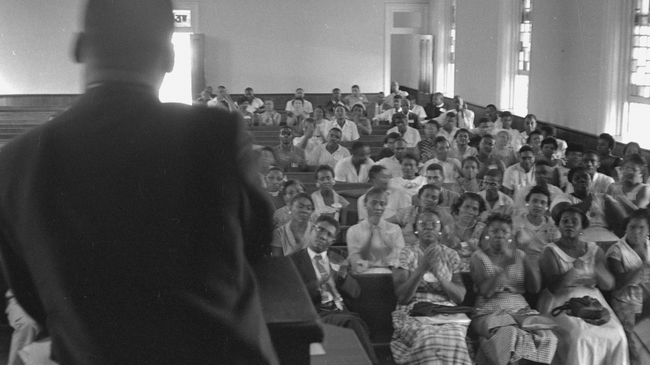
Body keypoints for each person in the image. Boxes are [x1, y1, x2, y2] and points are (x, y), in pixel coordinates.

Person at [0, 1, 278, 363]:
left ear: (78, 47)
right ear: (168, 57)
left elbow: (34, 297)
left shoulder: (16, 161)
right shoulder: (215, 134)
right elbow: (257, 240)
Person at [538, 206, 629, 365]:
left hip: (592, 299)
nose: (569, 225)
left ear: (582, 227)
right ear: (558, 225)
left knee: (618, 334)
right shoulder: (550, 251)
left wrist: (600, 272)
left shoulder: (595, 250)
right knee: (580, 336)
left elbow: (608, 285)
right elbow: (554, 288)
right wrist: (574, 269)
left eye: (574, 222)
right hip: (561, 300)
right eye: (564, 221)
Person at [289, 216, 378, 364]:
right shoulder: (293, 261)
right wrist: (320, 282)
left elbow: (356, 293)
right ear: (311, 230)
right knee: (353, 323)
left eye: (329, 234)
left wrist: (343, 276)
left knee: (353, 322)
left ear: (333, 240)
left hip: (340, 312)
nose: (323, 236)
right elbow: (294, 297)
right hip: (316, 314)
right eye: (320, 230)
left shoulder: (338, 257)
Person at [470, 214, 557, 365]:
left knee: (547, 336)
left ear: (511, 235)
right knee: (509, 334)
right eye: (494, 231)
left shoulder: (519, 255)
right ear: (487, 234)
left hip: (520, 310)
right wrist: (504, 265)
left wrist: (526, 256)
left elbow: (534, 288)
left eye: (504, 231)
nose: (499, 235)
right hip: (487, 311)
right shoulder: (478, 256)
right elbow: (486, 292)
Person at [390, 211, 473, 365]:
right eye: (423, 224)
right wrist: (421, 269)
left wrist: (438, 274)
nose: (429, 228)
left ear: (440, 230)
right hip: (413, 309)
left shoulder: (450, 254)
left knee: (455, 338)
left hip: (446, 311)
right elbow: (402, 297)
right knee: (429, 338)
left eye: (433, 225)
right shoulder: (406, 252)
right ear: (416, 230)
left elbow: (460, 296)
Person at [606, 208, 650, 365]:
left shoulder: (648, 246)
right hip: (626, 302)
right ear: (626, 228)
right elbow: (618, 284)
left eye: (641, 228)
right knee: (636, 340)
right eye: (632, 227)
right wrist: (641, 266)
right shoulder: (617, 251)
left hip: (647, 299)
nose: (636, 232)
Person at [551, 166, 627, 242]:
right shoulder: (563, 197)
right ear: (571, 183)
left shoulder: (602, 197)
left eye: (585, 177)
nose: (582, 180)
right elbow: (561, 216)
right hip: (578, 238)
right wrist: (589, 200)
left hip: (606, 237)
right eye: (577, 178)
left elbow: (622, 222)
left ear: (591, 181)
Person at [347, 188, 406, 274]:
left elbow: (397, 258)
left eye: (382, 204)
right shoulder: (353, 230)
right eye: (373, 203)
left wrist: (369, 263)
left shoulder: (394, 229)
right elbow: (356, 262)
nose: (378, 208)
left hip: (390, 276)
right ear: (365, 204)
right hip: (363, 277)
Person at [513, 185, 561, 272]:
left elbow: (557, 251)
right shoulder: (516, 222)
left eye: (543, 202)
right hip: (520, 264)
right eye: (534, 201)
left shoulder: (552, 225)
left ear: (547, 207)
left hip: (545, 265)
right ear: (527, 203)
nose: (538, 205)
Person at [387, 184, 453, 245]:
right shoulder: (408, 211)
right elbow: (385, 224)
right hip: (405, 248)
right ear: (419, 197)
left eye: (434, 197)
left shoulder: (445, 217)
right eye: (426, 196)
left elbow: (449, 238)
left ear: (438, 201)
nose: (429, 199)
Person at [448, 193, 487, 272]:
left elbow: (486, 257)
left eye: (475, 209)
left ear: (479, 212)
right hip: (452, 272)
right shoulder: (448, 229)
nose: (470, 211)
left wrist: (468, 242)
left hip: (476, 272)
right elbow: (441, 254)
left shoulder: (482, 229)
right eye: (467, 207)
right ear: (459, 207)